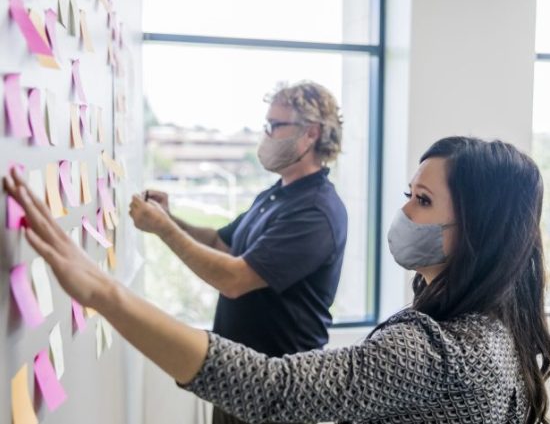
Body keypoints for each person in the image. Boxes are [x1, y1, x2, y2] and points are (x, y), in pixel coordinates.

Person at [5, 136, 550, 423]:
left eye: (423, 201)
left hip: (269, 369)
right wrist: (169, 223)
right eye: (409, 192)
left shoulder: (438, 350)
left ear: (477, 230)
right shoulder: (495, 326)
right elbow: (226, 239)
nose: (404, 210)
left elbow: (272, 383)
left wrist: (105, 293)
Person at [128, 81, 348, 423]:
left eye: (276, 126)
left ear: (311, 134)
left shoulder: (315, 212)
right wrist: (169, 218)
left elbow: (234, 279)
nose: (267, 134)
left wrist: (162, 228)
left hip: (279, 390)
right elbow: (221, 243)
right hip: (240, 379)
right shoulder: (277, 194)